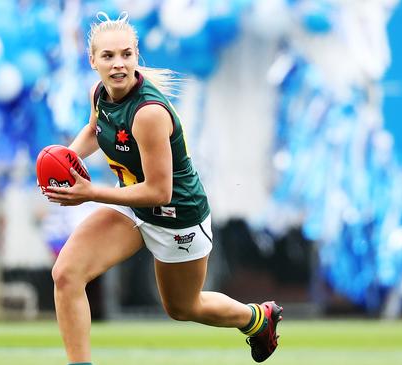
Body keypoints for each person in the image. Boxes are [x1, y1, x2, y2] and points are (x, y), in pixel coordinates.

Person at [44, 12, 283, 365]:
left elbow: (159, 192)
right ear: (92, 60)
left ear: (136, 55)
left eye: (126, 54)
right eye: (108, 56)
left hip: (177, 216)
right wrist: (63, 159)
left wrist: (89, 192)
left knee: (184, 307)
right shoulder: (100, 93)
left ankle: (257, 319)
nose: (118, 64)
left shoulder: (149, 113)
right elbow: (95, 130)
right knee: (66, 274)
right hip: (131, 205)